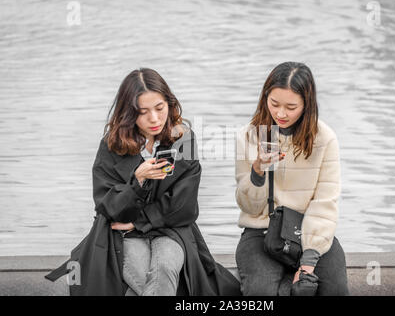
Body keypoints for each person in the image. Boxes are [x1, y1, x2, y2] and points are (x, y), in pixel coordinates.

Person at [45, 68, 241, 296]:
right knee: (141, 273)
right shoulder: (111, 146)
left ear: (169, 104)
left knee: (165, 267)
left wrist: (140, 221)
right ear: (129, 113)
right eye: (143, 112)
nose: (155, 119)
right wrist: (137, 180)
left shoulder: (183, 139)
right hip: (124, 234)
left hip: (171, 230)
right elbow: (108, 206)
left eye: (160, 108)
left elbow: (185, 206)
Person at [235, 62, 349, 296]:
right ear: (265, 98)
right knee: (260, 292)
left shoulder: (325, 139)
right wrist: (257, 172)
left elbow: (325, 203)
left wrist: (308, 262)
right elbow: (248, 207)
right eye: (274, 104)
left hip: (309, 229)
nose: (281, 114)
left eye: (291, 106)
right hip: (262, 230)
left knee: (334, 290)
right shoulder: (248, 135)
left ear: (307, 105)